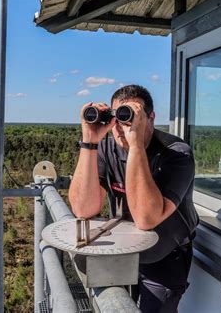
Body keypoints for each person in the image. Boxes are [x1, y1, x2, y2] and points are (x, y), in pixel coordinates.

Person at [68, 84, 199, 313]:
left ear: (151, 118)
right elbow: (83, 208)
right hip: (123, 254)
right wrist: (89, 141)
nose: (121, 127)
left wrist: (135, 144)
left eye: (129, 117)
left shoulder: (177, 153)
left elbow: (146, 219)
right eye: (116, 117)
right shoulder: (107, 149)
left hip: (165, 258)